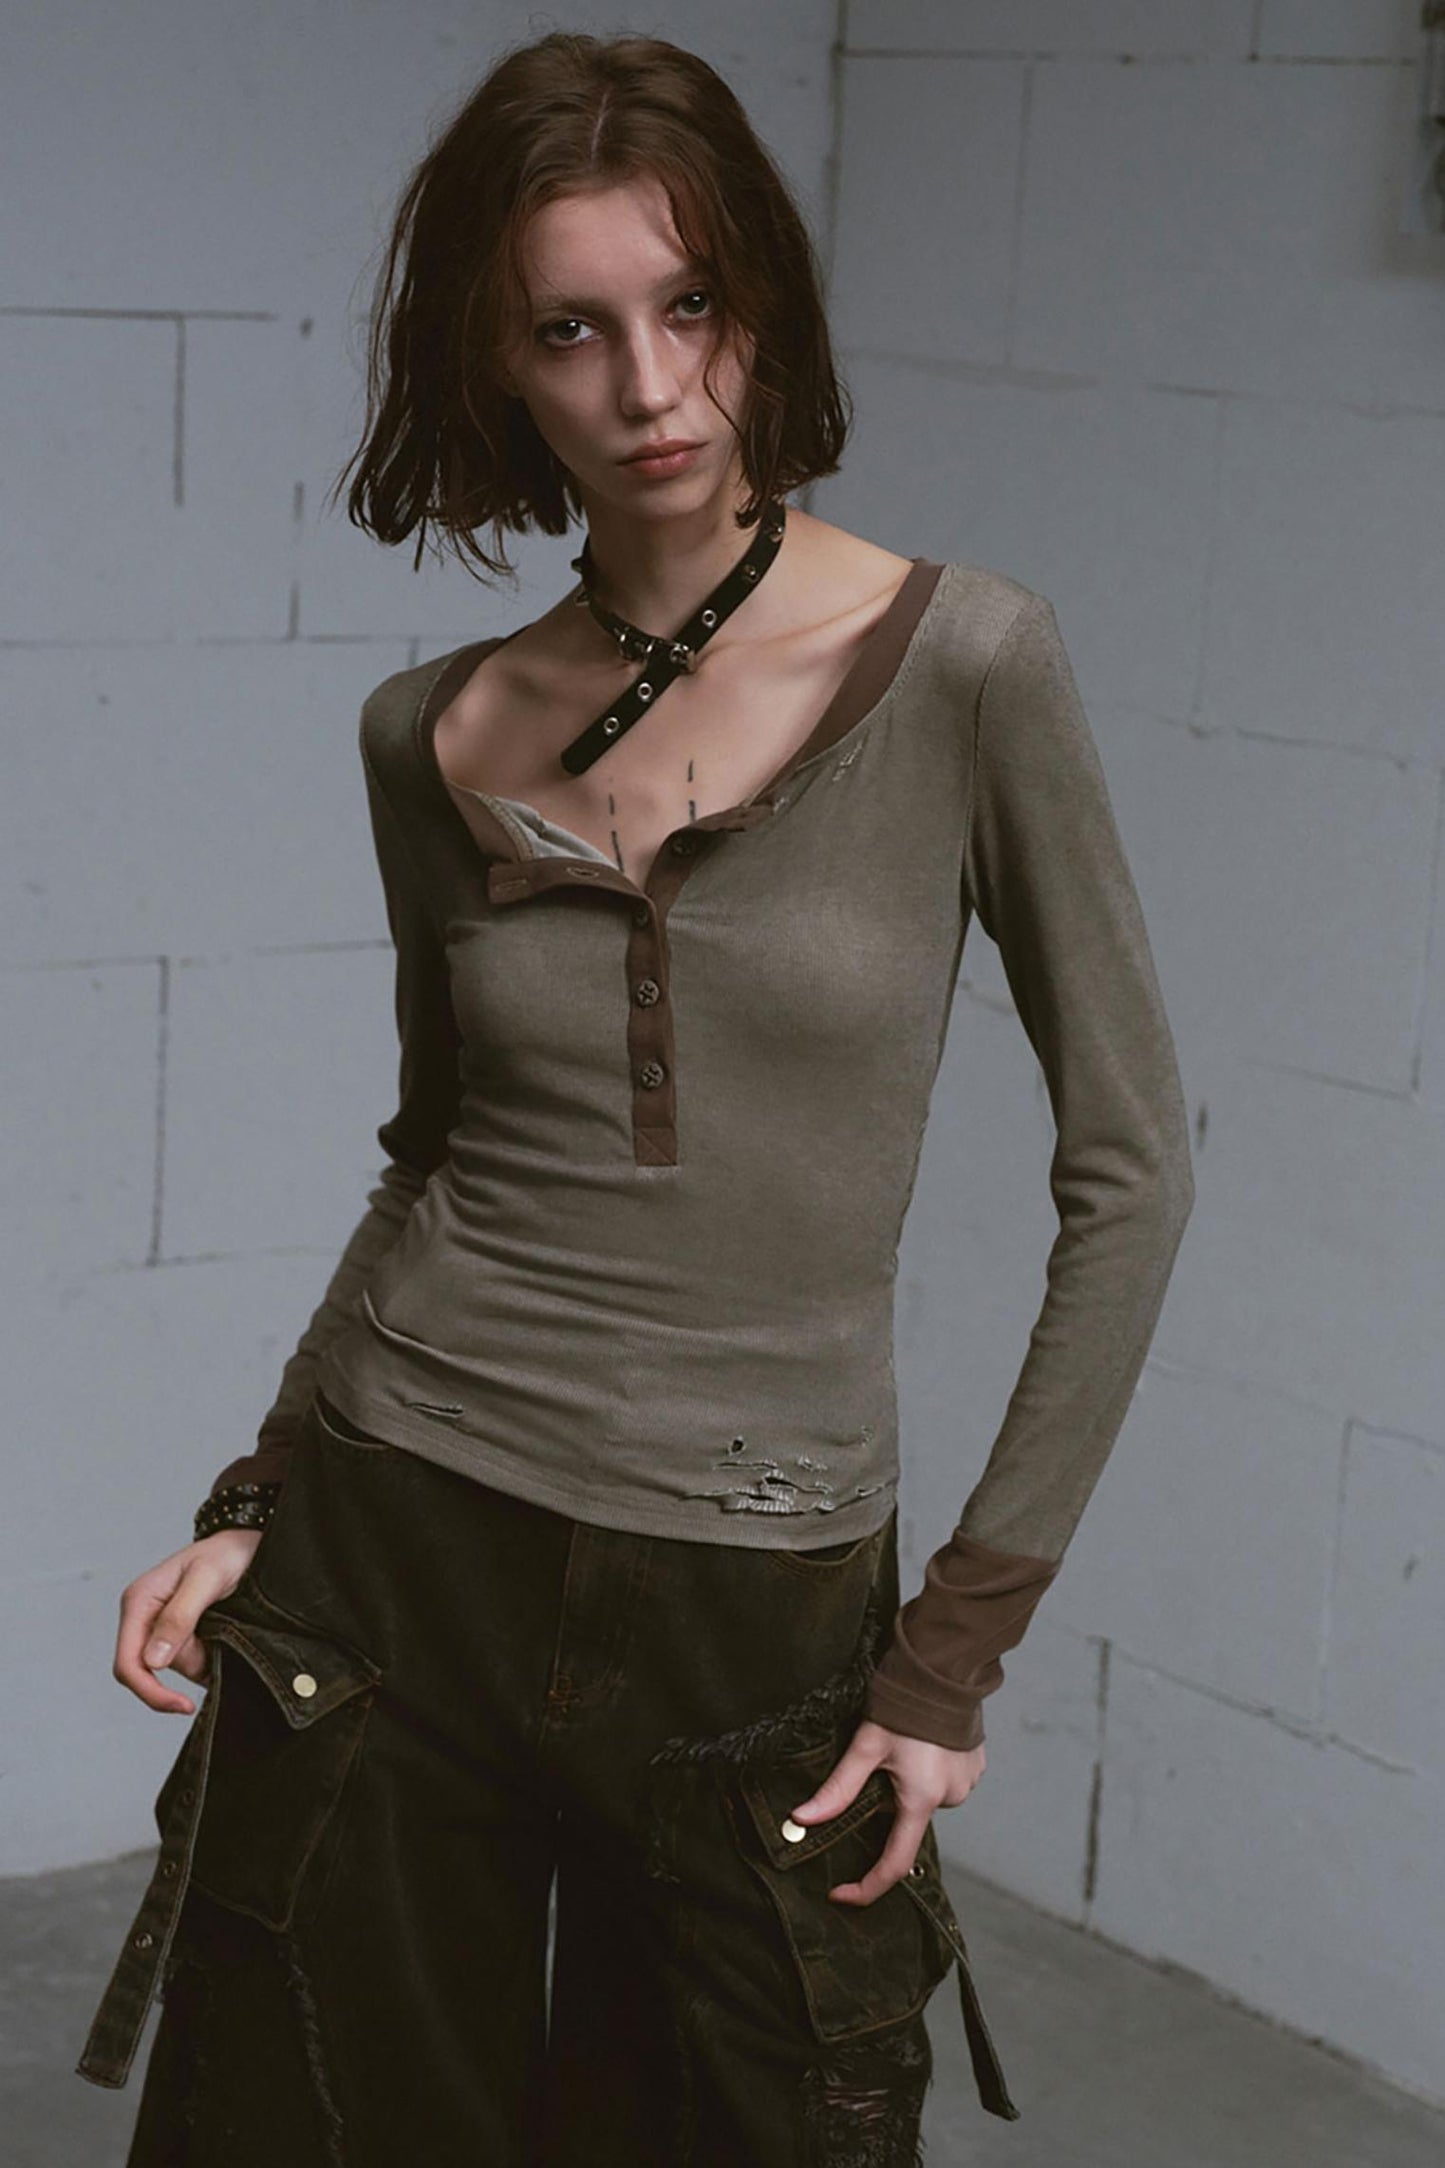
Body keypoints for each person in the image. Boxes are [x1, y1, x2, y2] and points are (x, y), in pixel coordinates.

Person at [75, 28, 1194, 2168]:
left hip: (755, 1598)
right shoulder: (435, 729)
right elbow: (436, 1157)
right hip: (400, 1548)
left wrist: (948, 1654)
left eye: (694, 306)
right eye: (571, 329)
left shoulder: (968, 661)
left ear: (762, 303)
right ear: (493, 363)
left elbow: (1131, 1176)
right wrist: (265, 1501)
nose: (652, 388)